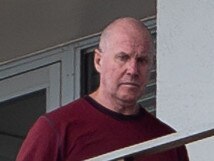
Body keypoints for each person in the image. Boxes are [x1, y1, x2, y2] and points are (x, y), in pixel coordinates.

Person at [16, 17, 189, 161]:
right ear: (98, 61)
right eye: (123, 57)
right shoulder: (57, 129)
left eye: (142, 60)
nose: (133, 70)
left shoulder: (168, 142)